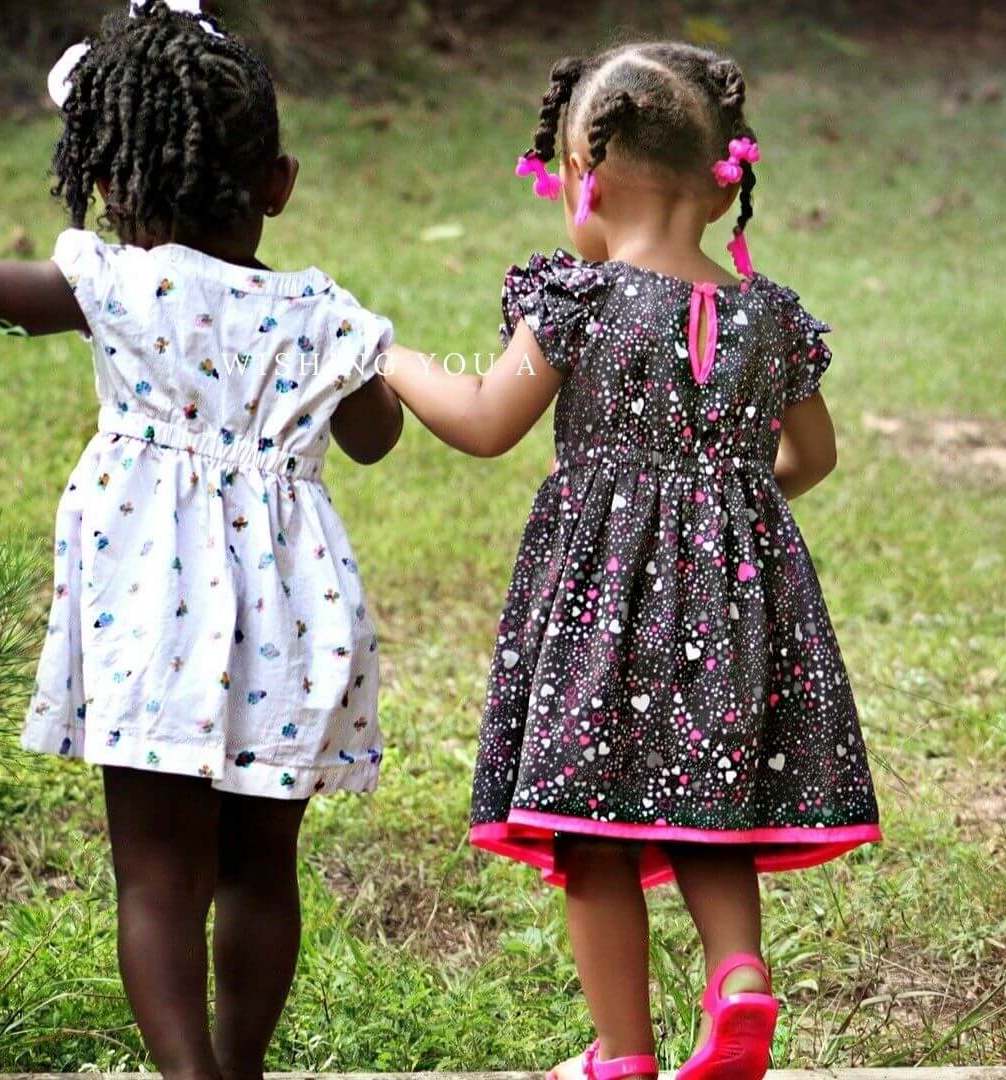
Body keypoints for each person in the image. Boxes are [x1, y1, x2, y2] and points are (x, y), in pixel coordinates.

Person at [0, 4, 401, 1078]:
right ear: (278, 184)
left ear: (107, 181)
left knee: (155, 878)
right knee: (260, 870)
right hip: (286, 622)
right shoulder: (320, 311)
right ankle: (240, 1069)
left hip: (149, 611)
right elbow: (374, 437)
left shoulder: (119, 284)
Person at [380, 41, 881, 1080]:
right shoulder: (769, 316)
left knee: (591, 830)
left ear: (583, 177)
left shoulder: (579, 302)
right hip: (735, 609)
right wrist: (728, 509)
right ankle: (739, 979)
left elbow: (482, 422)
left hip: (600, 616)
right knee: (710, 807)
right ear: (720, 179)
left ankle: (621, 1056)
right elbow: (813, 456)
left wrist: (390, 359)